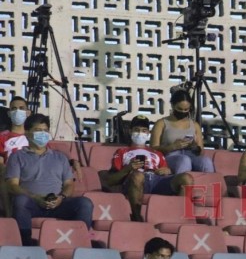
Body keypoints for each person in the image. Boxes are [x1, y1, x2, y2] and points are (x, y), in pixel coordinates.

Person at [5, 113, 94, 245]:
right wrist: (35, 198)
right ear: (27, 132)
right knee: (20, 201)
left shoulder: (60, 158)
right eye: (38, 130)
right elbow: (12, 185)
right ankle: (25, 243)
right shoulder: (17, 157)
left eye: (45, 131)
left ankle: (81, 241)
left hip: (58, 203)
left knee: (85, 203)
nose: (43, 134)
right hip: (33, 203)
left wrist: (61, 198)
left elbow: (69, 184)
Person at [106, 115, 193, 222]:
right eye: (136, 130)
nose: (140, 133)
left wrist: (167, 170)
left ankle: (180, 217)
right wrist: (128, 168)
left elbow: (165, 171)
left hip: (156, 180)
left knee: (186, 178)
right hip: (135, 180)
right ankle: (136, 217)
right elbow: (110, 180)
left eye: (144, 130)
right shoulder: (122, 152)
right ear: (130, 131)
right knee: (137, 175)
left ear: (148, 133)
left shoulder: (157, 153)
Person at [150, 87, 214, 174]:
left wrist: (195, 147)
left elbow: (201, 150)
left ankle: (209, 186)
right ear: (173, 105)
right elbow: (153, 148)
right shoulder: (161, 123)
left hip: (191, 154)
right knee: (184, 161)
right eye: (179, 109)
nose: (183, 112)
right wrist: (172, 147)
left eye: (186, 110)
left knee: (206, 162)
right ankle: (181, 185)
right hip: (171, 155)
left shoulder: (194, 125)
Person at [0, 97, 30, 217]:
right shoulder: (2, 137)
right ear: (9, 113)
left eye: (21, 108)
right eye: (14, 108)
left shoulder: (35, 136)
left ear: (28, 113)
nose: (18, 111)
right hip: (10, 175)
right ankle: (9, 216)